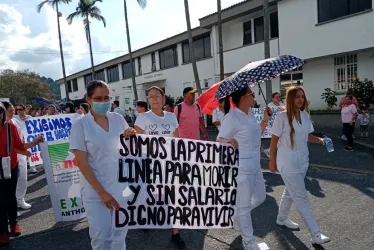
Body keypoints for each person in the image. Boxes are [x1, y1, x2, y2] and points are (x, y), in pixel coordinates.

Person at [70, 80, 136, 250]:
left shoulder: (118, 119)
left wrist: (132, 135)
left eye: (106, 97)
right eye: (98, 98)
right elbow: (81, 162)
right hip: (95, 191)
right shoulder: (80, 124)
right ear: (88, 99)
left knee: (119, 235)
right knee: (101, 237)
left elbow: (129, 151)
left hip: (121, 187)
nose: (103, 102)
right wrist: (102, 192)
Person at [269, 86, 330, 245]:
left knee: (290, 192)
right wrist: (272, 161)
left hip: (303, 162)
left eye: (302, 96)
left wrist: (320, 140)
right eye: (297, 97)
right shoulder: (281, 117)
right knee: (301, 197)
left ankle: (281, 218)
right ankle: (315, 234)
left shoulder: (305, 115)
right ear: (290, 99)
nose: (300, 99)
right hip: (287, 164)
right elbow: (274, 140)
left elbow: (307, 136)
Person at [217, 87, 271, 250]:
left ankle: (235, 215)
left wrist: (265, 119)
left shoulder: (250, 113)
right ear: (242, 98)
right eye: (251, 94)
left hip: (256, 163)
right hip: (242, 166)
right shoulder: (231, 117)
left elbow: (257, 134)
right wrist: (230, 142)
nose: (254, 96)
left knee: (261, 197)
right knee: (245, 206)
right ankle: (249, 243)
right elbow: (219, 140)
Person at [134, 86, 186, 249]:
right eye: (150, 96)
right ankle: (146, 216)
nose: (154, 99)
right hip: (150, 163)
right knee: (150, 193)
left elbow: (177, 139)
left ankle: (175, 233)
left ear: (163, 98)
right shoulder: (142, 118)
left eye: (157, 95)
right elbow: (137, 144)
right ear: (148, 100)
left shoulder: (171, 117)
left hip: (170, 163)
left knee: (173, 196)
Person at [0, 103, 43, 247]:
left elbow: (19, 145)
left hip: (11, 167)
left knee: (10, 197)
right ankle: (3, 231)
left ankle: (13, 224)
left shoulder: (10, 127)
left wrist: (35, 142)